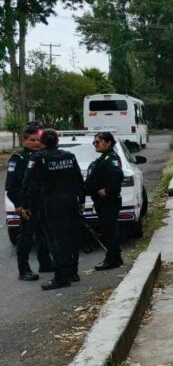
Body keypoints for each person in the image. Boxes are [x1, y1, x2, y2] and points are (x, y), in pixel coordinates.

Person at [20, 129, 85, 290]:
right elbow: (78, 179)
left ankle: (61, 277)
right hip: (70, 202)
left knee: (56, 241)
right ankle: (72, 272)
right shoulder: (69, 156)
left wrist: (26, 204)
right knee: (70, 237)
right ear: (57, 141)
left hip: (49, 204)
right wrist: (81, 200)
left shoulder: (38, 158)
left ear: (42, 142)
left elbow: (29, 183)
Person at [4, 124, 54, 281]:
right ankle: (24, 270)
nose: (36, 143)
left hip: (42, 202)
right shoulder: (18, 159)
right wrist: (19, 205)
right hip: (27, 205)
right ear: (24, 140)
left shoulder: (42, 156)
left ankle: (45, 263)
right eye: (32, 140)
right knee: (25, 238)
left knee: (43, 235)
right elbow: (10, 186)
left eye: (38, 140)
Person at [85, 131, 124, 270]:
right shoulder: (103, 158)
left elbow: (118, 174)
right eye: (94, 142)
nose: (95, 145)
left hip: (109, 202)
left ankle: (111, 259)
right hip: (102, 202)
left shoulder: (111, 158)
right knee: (108, 230)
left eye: (98, 142)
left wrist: (107, 191)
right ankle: (116, 257)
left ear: (108, 143)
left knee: (110, 231)